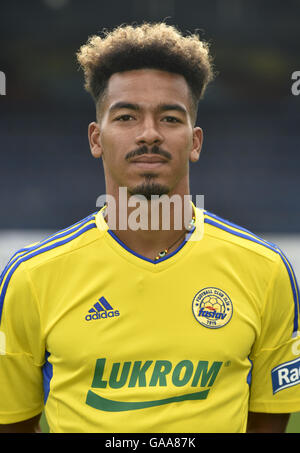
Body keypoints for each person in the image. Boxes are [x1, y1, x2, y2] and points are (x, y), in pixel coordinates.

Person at [0, 22, 299, 434]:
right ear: (96, 138)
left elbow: (270, 419)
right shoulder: (31, 277)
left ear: (194, 142)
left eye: (170, 118)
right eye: (126, 116)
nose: (149, 134)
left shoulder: (266, 271)